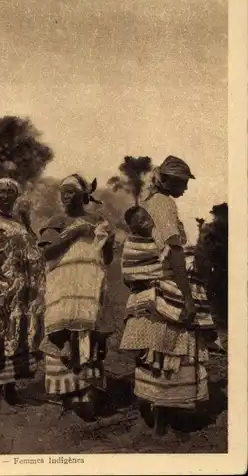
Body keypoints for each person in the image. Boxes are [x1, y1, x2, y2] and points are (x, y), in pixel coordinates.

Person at [120, 156, 218, 435]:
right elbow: (174, 250)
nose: (186, 189)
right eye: (184, 183)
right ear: (172, 180)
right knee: (167, 354)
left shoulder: (151, 202)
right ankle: (163, 426)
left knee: (152, 354)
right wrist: (187, 298)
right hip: (164, 291)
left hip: (148, 292)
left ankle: (153, 419)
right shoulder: (164, 204)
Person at [38, 174, 115, 421]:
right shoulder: (57, 221)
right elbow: (47, 253)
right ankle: (68, 394)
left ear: (84, 195)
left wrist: (108, 242)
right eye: (63, 192)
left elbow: (108, 258)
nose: (65, 196)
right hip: (63, 288)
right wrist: (73, 233)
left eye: (71, 191)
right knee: (64, 336)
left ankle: (90, 392)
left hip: (89, 287)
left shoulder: (98, 220)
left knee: (88, 335)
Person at [0, 177, 46, 414]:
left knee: (16, 337)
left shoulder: (18, 222)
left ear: (16, 196)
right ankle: (0, 397)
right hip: (1, 291)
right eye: (1, 191)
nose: (5, 195)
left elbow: (31, 249)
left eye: (10, 192)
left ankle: (12, 391)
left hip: (21, 293)